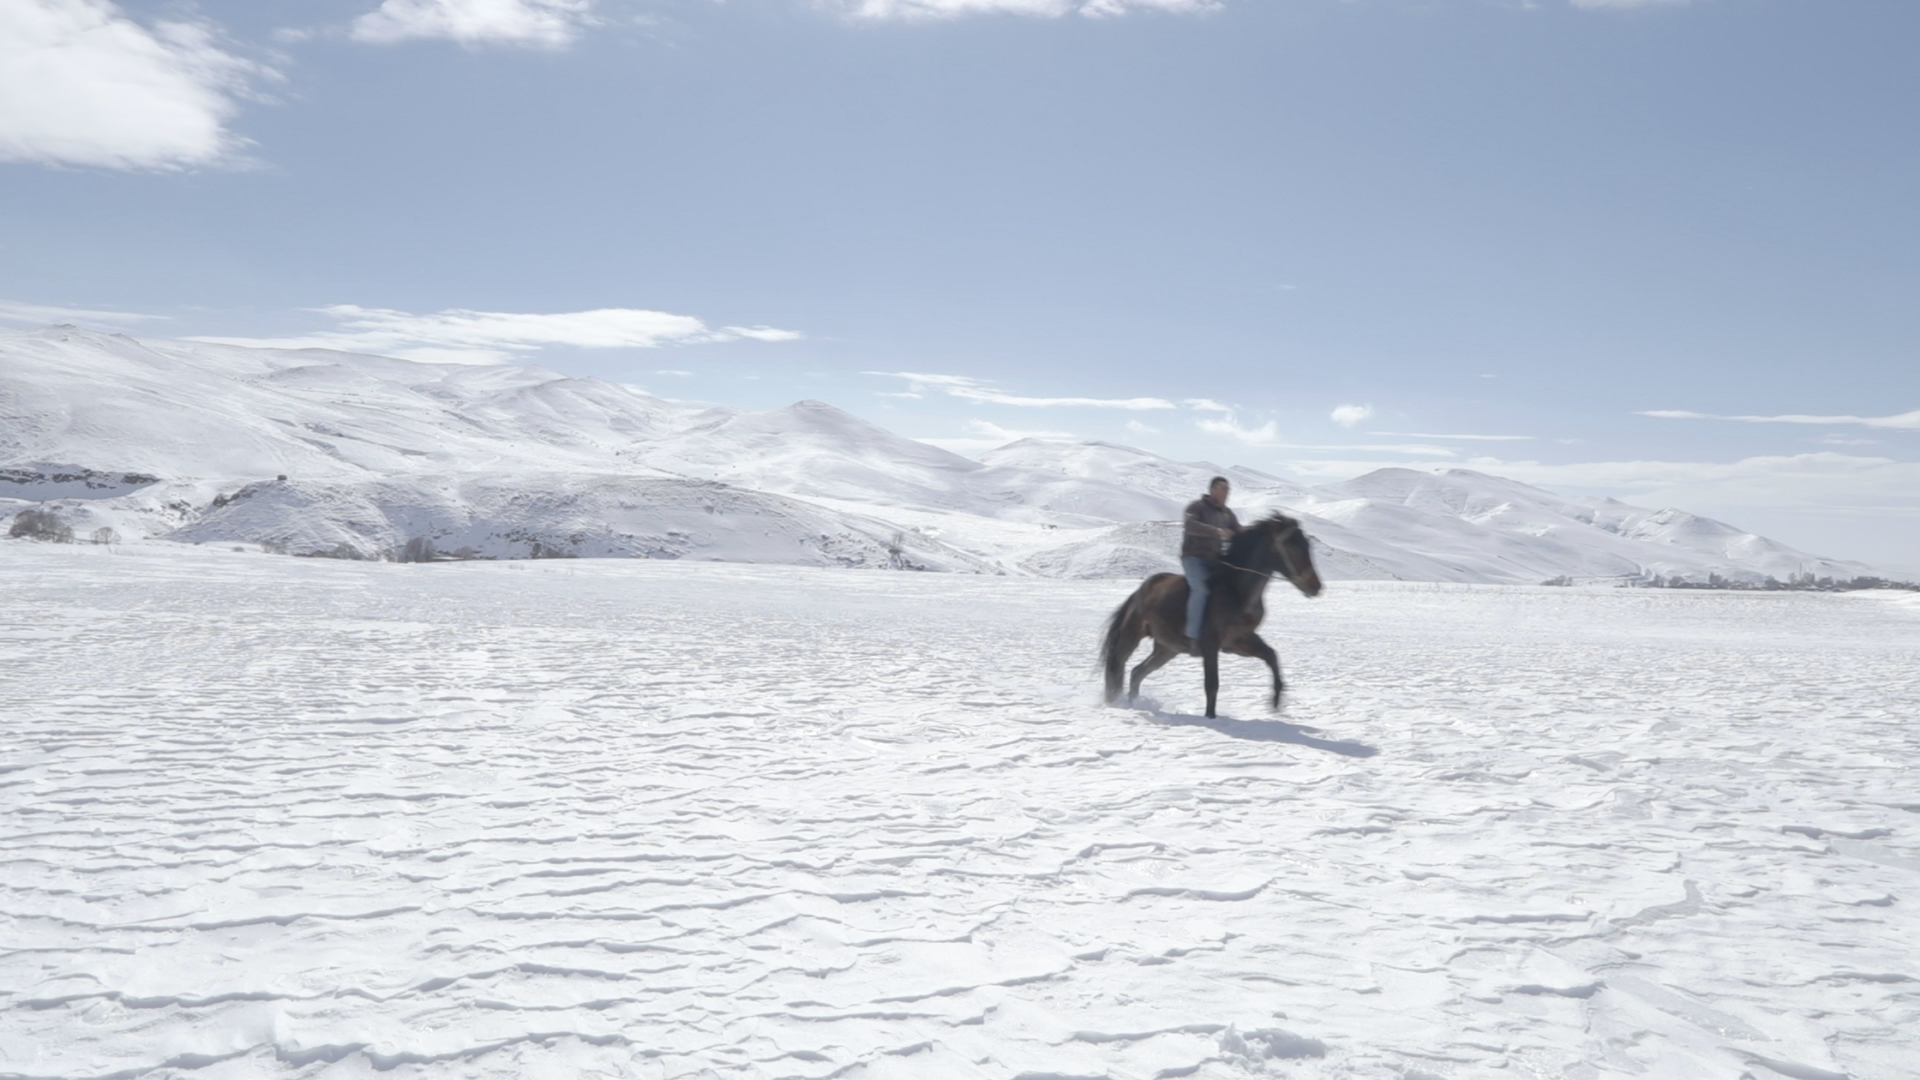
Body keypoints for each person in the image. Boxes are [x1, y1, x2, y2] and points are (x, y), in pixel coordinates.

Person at [1182, 476, 1239, 646]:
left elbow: (1238, 530)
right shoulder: (1197, 507)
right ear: (1213, 489)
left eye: (1228, 489)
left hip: (1215, 560)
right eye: (1223, 488)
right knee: (1201, 590)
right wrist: (1217, 532)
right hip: (1194, 558)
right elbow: (1190, 525)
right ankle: (1193, 637)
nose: (1227, 493)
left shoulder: (1227, 513)